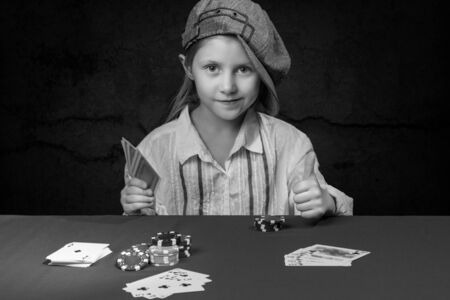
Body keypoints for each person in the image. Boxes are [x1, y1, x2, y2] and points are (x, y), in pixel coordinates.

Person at [120, 0, 353, 218]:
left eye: (244, 69)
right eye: (212, 67)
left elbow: (322, 211)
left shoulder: (291, 144)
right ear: (188, 67)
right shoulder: (152, 151)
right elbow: (141, 239)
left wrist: (326, 203)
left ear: (262, 74)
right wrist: (134, 211)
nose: (228, 87)